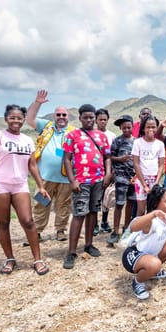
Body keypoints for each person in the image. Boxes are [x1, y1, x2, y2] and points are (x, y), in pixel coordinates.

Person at [0, 105, 50, 276]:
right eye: (12, 117)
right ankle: (10, 258)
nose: (16, 120)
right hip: (0, 185)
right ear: (6, 118)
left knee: (28, 221)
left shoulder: (27, 140)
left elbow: (32, 165)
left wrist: (41, 186)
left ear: (23, 120)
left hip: (20, 185)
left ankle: (37, 259)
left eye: (19, 118)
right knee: (3, 222)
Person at [62, 104, 112, 270]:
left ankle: (89, 245)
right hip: (81, 182)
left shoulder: (101, 136)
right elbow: (67, 159)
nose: (89, 120)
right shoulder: (72, 136)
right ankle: (71, 252)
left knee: (93, 213)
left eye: (92, 117)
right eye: (86, 117)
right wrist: (72, 180)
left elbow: (107, 157)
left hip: (98, 180)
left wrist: (108, 174)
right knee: (79, 214)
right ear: (80, 118)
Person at [25, 89, 76, 242]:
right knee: (41, 204)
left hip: (65, 177)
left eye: (64, 115)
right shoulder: (46, 126)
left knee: (64, 205)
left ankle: (60, 231)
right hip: (44, 177)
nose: (61, 117)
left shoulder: (74, 132)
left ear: (68, 117)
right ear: (54, 116)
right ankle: (37, 232)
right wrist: (37, 103)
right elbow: (29, 118)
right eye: (58, 114)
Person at [120, 185, 166, 300]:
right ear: (156, 203)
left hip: (151, 255)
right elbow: (133, 227)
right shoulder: (151, 220)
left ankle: (152, 271)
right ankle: (138, 282)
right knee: (155, 264)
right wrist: (154, 214)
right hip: (134, 255)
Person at [108, 114, 136, 246]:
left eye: (128, 127)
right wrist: (120, 159)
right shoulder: (117, 141)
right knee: (119, 204)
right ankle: (115, 231)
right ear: (120, 128)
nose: (126, 130)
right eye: (124, 128)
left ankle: (126, 228)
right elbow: (110, 157)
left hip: (133, 178)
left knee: (131, 202)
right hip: (120, 176)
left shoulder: (137, 141)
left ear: (132, 127)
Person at [132, 115, 166, 216]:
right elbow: (136, 164)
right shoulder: (137, 142)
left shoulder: (160, 144)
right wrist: (144, 185)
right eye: (148, 127)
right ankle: (139, 231)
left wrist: (156, 183)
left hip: (155, 179)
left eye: (153, 127)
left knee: (152, 209)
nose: (150, 129)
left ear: (156, 128)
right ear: (143, 128)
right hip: (141, 180)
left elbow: (161, 165)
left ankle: (151, 231)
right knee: (141, 211)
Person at [96, 108, 117, 234]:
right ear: (96, 120)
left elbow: (113, 154)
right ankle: (94, 224)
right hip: (93, 171)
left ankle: (104, 221)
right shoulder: (91, 134)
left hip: (107, 170)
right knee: (94, 197)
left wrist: (112, 172)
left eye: (105, 119)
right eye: (100, 119)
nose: (102, 122)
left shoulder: (112, 135)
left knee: (106, 196)